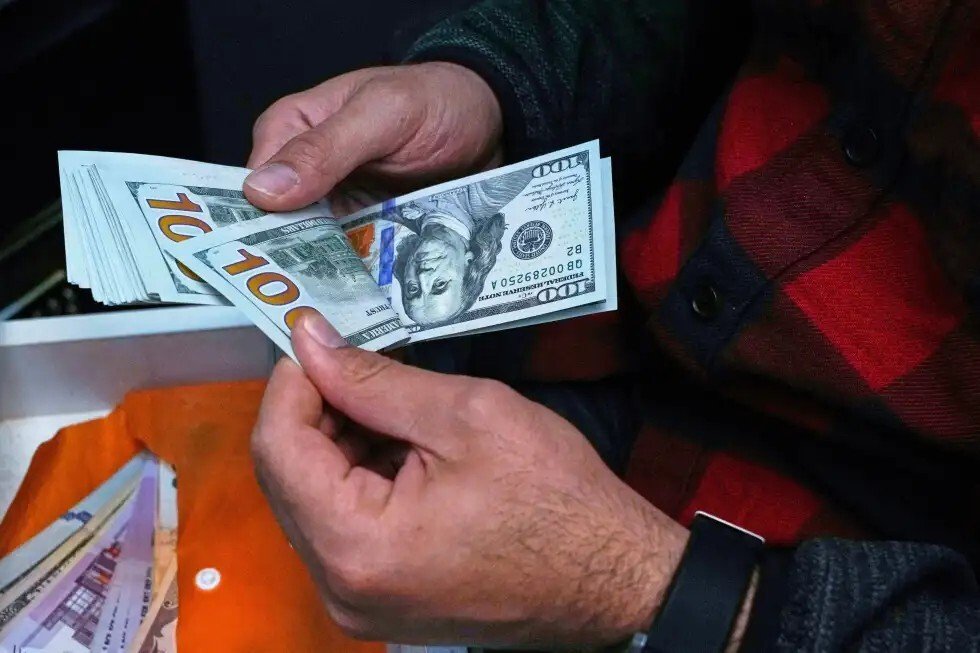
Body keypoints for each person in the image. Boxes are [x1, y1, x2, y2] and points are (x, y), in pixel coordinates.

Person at [241, 1, 980, 650]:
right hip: (584, 349)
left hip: (846, 564)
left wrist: (660, 589)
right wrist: (494, 81)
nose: (426, 276)